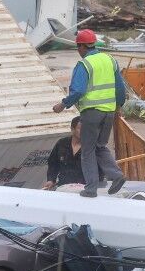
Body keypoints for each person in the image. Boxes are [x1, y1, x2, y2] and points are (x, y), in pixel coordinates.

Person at [52, 29, 127, 198]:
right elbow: (120, 87)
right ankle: (116, 175)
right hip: (109, 112)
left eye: (78, 47)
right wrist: (119, 104)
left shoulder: (84, 65)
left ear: (81, 47)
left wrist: (63, 104)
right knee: (100, 146)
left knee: (87, 150)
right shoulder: (110, 60)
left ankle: (91, 188)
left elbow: (78, 91)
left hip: (92, 113)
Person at [43, 117, 87, 190]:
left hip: (85, 188)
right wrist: (51, 180)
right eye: (80, 129)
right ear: (72, 129)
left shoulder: (91, 147)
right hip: (64, 187)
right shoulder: (61, 143)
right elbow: (53, 164)